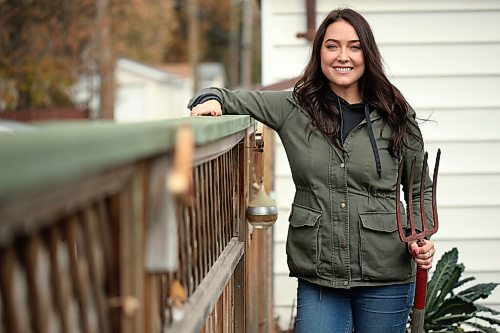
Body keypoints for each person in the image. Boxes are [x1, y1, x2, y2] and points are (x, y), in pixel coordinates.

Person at [189, 8, 436, 333]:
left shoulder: (396, 113)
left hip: (386, 269)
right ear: (319, 52)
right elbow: (229, 97)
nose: (343, 56)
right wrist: (209, 100)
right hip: (321, 271)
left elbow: (419, 189)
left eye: (354, 46)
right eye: (332, 46)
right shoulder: (294, 107)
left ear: (368, 53)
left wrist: (423, 236)